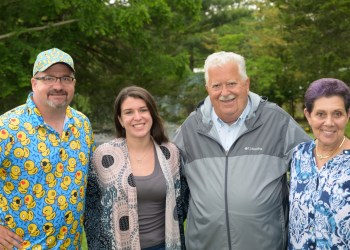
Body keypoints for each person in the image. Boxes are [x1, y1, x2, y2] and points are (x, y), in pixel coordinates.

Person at [173, 51, 311, 250]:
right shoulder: (190, 128)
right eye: (216, 86)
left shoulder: (276, 121)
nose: (225, 92)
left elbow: (315, 166)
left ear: (246, 84)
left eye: (231, 83)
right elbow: (164, 175)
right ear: (207, 89)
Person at [0, 48, 95, 249]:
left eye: (66, 79)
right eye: (49, 78)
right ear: (34, 83)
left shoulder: (82, 125)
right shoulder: (7, 127)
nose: (58, 86)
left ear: (74, 84)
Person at [84, 86, 185, 250]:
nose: (137, 117)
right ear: (120, 120)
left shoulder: (171, 153)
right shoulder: (103, 157)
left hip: (164, 245)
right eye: (129, 112)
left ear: (152, 114)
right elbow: (91, 211)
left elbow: (182, 203)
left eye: (143, 110)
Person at [288, 78, 350, 249]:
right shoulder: (299, 154)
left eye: (337, 113)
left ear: (348, 115)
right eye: (320, 114)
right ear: (308, 115)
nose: (329, 122)